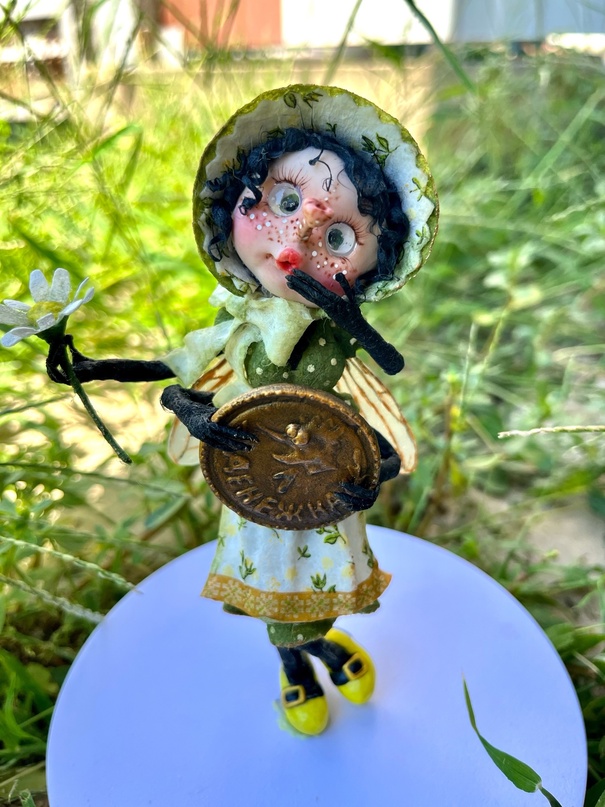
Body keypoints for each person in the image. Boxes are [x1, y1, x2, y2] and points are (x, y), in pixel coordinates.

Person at [47, 84, 438, 735]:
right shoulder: (238, 331)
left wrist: (372, 474)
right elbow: (174, 371)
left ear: (378, 262)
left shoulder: (339, 343)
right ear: (235, 201)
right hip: (253, 490)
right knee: (271, 588)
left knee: (317, 580)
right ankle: (302, 661)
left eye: (337, 235)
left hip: (323, 490)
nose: (295, 242)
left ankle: (318, 648)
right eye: (284, 202)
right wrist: (96, 369)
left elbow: (386, 408)